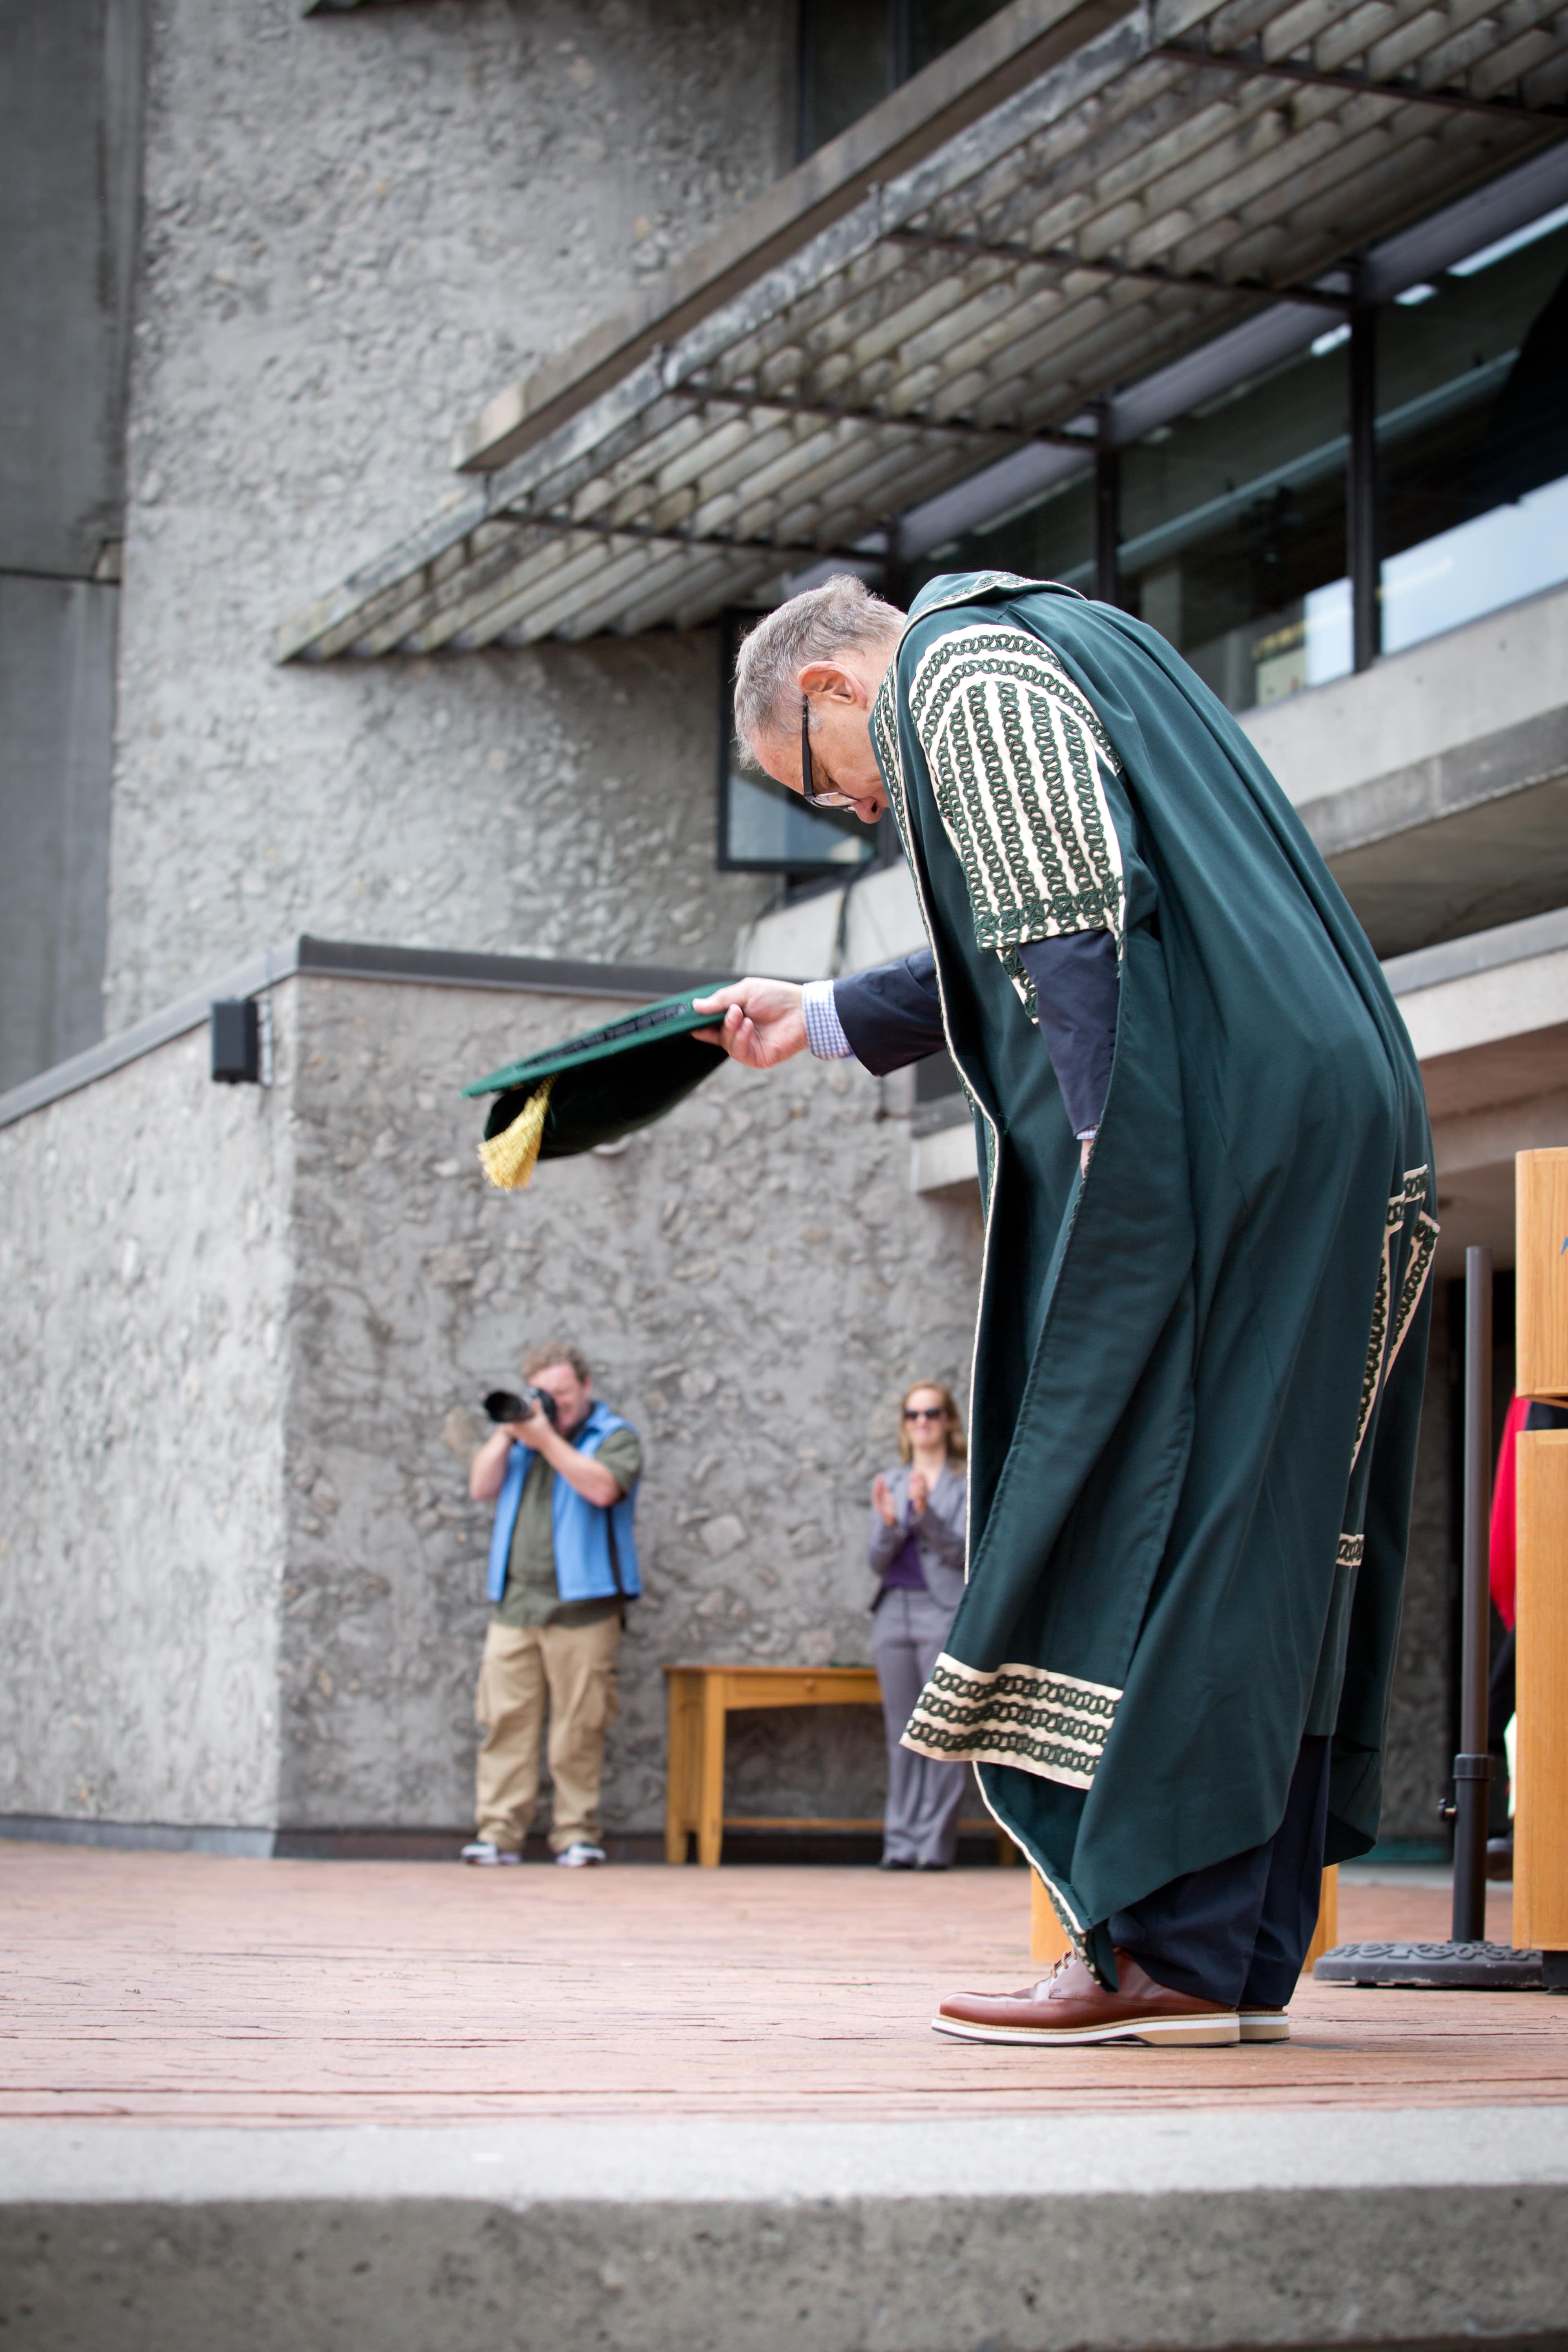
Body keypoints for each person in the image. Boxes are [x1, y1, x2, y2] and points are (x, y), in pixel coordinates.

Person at [694, 570, 1436, 2048]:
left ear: (838, 688)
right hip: (1329, 1114)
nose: (851, 814)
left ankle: (1155, 1939)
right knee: (1271, 1518)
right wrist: (829, 1013)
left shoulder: (957, 669)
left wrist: (1114, 1169)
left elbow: (1069, 919)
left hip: (1232, 1137)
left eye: (819, 782)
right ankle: (1222, 1946)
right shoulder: (1075, 638)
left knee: (1166, 1501)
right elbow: (1037, 927)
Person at [462, 1342, 641, 1867]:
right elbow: (480, 1487)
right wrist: (508, 1430)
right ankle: (498, 1832)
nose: (554, 1402)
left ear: (586, 1388)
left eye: (563, 1391)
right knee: (504, 1721)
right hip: (515, 1606)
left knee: (579, 1726)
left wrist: (546, 1439)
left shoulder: (613, 1437)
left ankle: (576, 1833)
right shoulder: (519, 1441)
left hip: (583, 1609)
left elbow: (604, 1490)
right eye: (544, 1392)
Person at [869, 1381, 969, 1871]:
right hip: (894, 1610)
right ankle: (900, 1842)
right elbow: (875, 1560)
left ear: (949, 1420)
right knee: (901, 1733)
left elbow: (963, 1553)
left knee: (942, 1731)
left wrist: (925, 1515)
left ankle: (934, 1845)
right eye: (913, 1415)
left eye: (932, 1413)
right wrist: (891, 1523)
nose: (922, 1422)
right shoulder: (890, 1480)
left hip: (942, 1609)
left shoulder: (968, 1480)